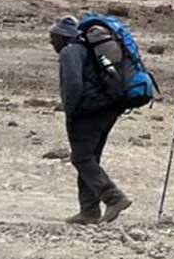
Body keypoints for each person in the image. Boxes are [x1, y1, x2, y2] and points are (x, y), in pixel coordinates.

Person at [50, 15, 135, 224]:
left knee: (81, 158)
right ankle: (89, 210)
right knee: (90, 157)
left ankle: (113, 197)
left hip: (88, 111)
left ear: (63, 38)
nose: (51, 42)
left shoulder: (70, 52)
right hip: (107, 108)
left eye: (53, 37)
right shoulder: (87, 50)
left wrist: (71, 111)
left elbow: (73, 85)